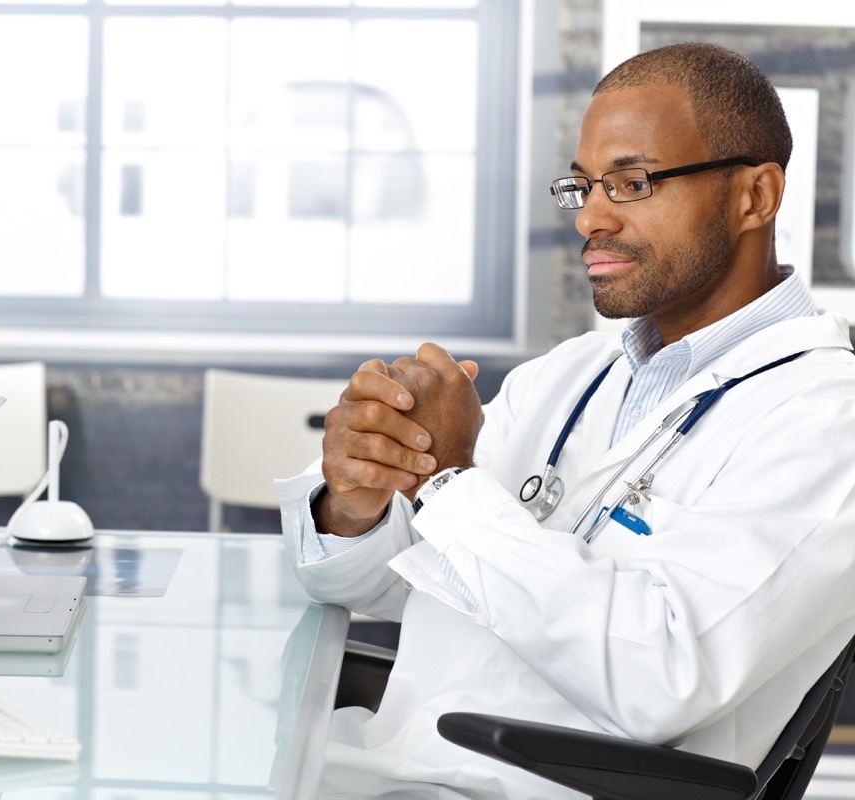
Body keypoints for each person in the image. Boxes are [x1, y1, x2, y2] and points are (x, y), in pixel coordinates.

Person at [277, 42, 855, 800]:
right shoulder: (572, 374)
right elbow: (405, 583)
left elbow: (665, 677)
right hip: (393, 767)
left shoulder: (824, 420)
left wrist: (450, 482)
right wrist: (356, 502)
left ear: (755, 196)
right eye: (581, 186)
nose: (590, 216)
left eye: (631, 181)